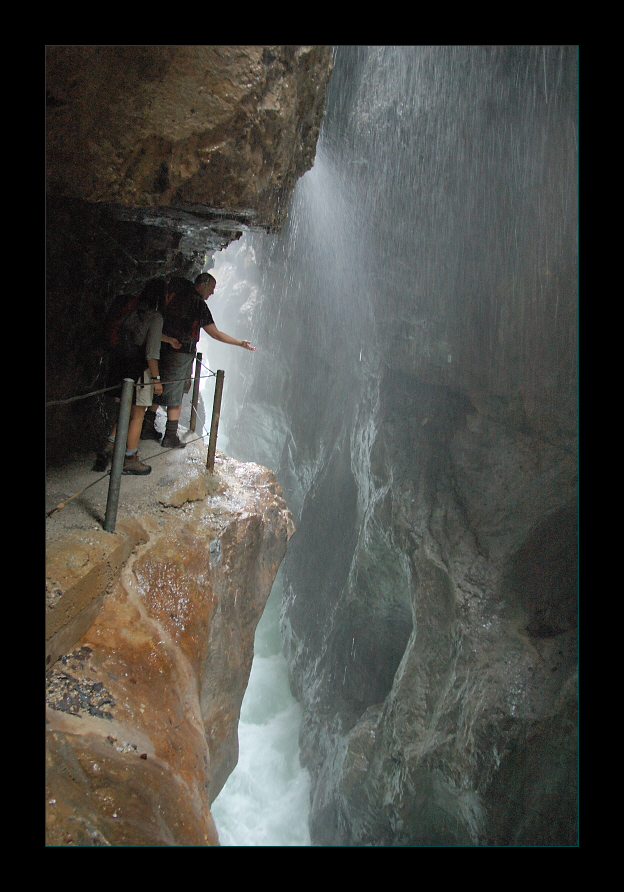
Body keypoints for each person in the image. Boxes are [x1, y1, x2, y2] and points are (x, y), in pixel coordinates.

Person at [141, 273, 256, 448]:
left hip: (162, 346)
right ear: (202, 284)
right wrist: (240, 343)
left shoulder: (175, 295)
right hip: (181, 352)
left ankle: (146, 426)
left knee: (161, 384)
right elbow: (215, 333)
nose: (212, 293)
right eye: (211, 288)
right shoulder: (198, 304)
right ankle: (170, 436)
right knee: (175, 392)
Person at [93, 278, 180, 475]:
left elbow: (140, 334)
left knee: (127, 411)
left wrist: (168, 339)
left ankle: (107, 449)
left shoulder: (132, 311)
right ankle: (130, 459)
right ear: (161, 296)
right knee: (138, 414)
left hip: (123, 369)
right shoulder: (156, 317)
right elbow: (151, 354)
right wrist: (157, 380)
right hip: (141, 372)